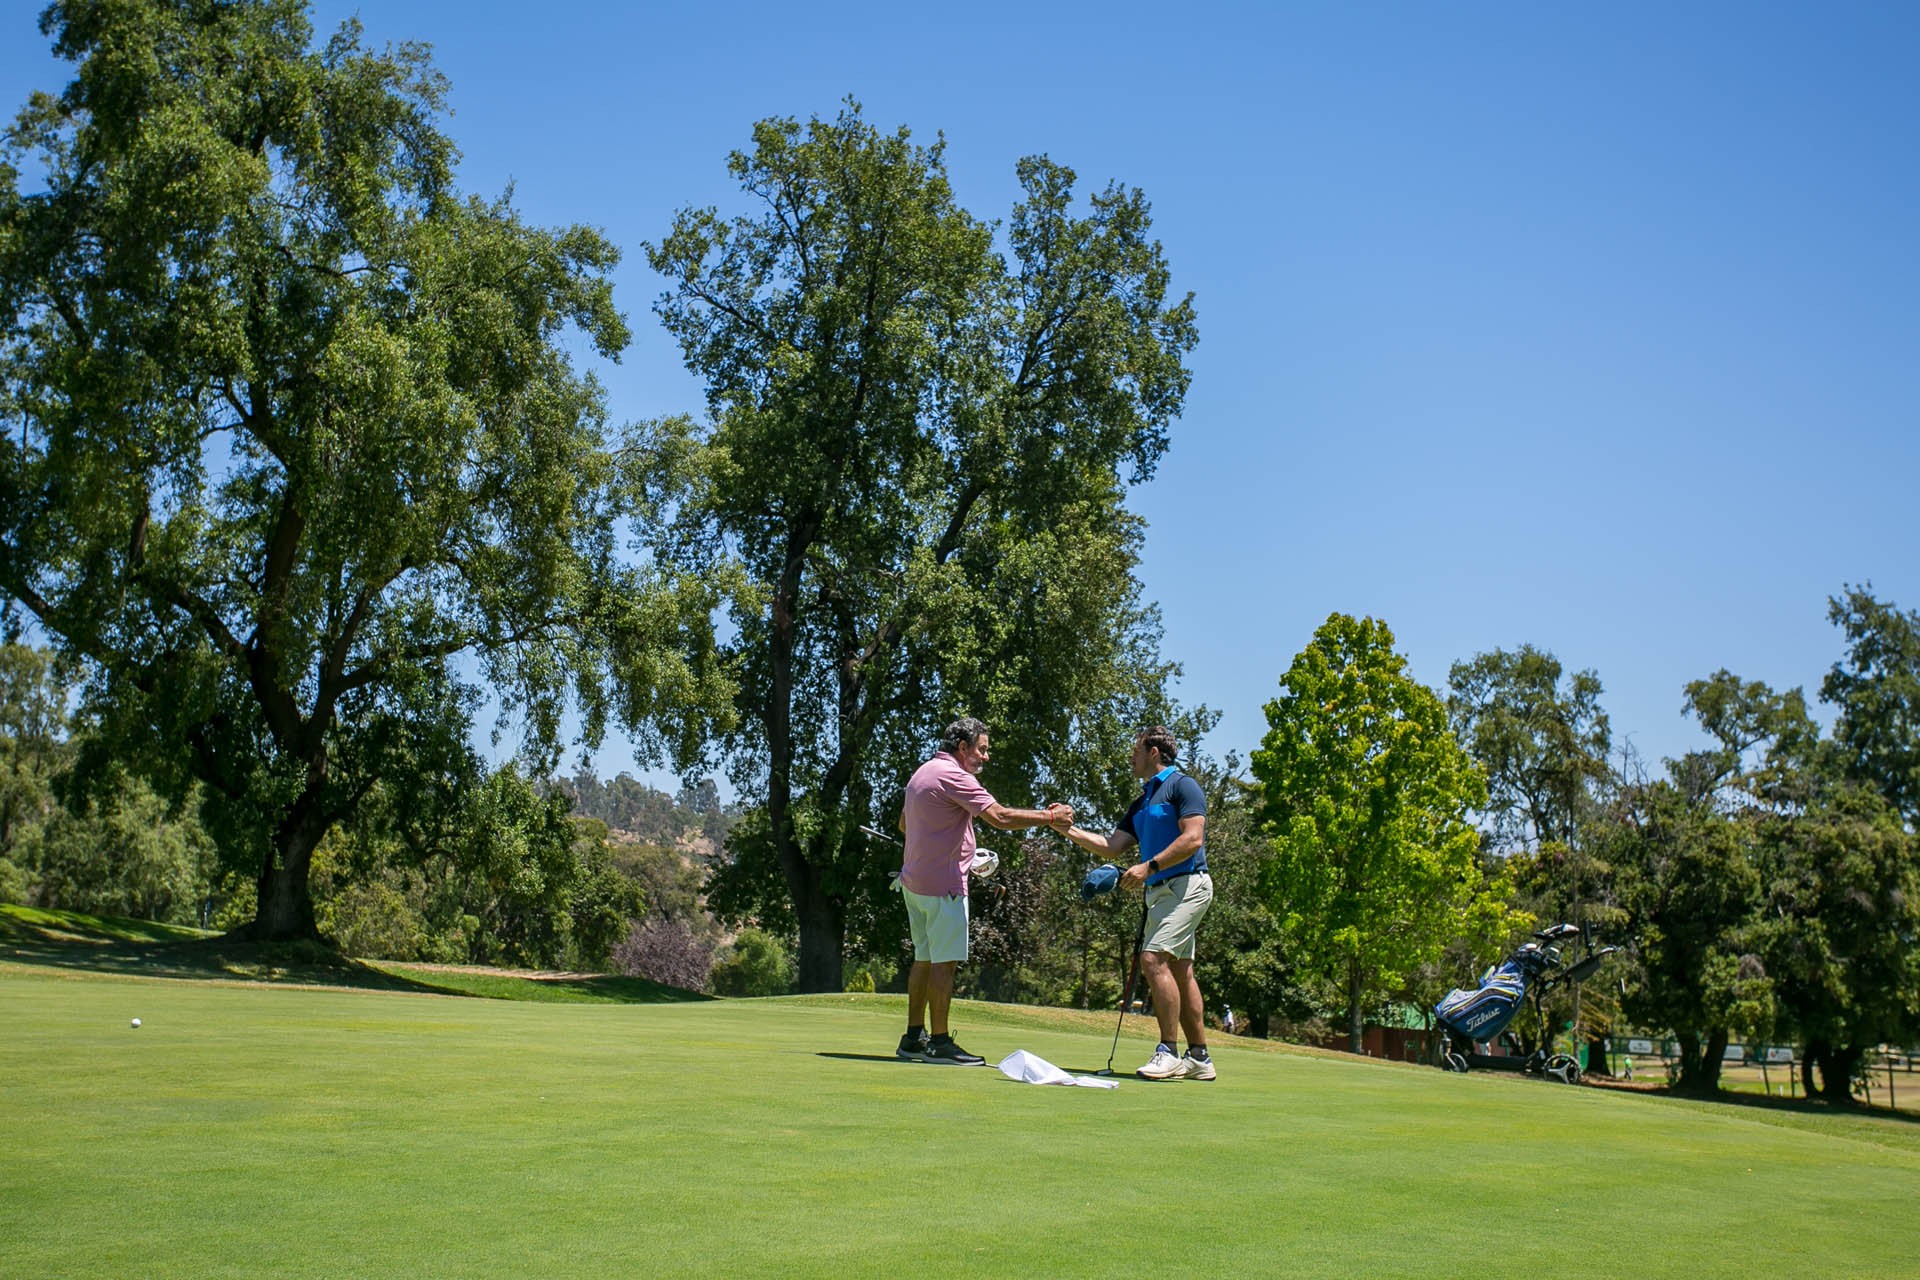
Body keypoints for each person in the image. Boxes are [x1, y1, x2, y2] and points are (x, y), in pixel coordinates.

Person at [895, 717, 1069, 1065]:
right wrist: (1051, 818)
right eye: (982, 749)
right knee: (944, 964)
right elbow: (1000, 817)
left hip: (914, 884)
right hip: (944, 889)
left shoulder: (923, 772)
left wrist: (958, 851)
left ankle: (913, 1038)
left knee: (924, 959)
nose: (986, 757)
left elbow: (904, 825)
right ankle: (940, 1043)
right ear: (963, 748)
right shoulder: (956, 776)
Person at [1056, 725, 1215, 1081]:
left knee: (1152, 958)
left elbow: (1193, 839)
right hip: (1161, 892)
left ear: (1153, 752)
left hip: (1188, 885)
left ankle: (1168, 1052)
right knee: (1180, 970)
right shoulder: (1142, 801)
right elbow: (1112, 846)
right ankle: (1199, 1057)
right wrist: (1064, 828)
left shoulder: (1182, 786)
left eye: (1136, 750)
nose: (1131, 756)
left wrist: (1149, 866)